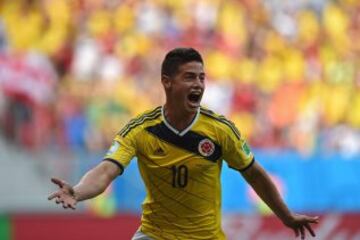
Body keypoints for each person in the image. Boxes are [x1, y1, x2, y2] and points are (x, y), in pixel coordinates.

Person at [48, 47, 319, 240]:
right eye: (190, 77)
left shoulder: (220, 129)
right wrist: (78, 191)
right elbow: (106, 170)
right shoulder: (141, 128)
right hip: (156, 235)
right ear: (167, 82)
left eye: (202, 77)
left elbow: (255, 175)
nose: (199, 84)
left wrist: (286, 216)